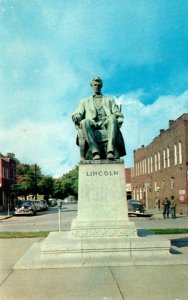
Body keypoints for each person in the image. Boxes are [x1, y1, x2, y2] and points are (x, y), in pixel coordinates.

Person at [72, 77, 125, 160]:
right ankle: (95, 151)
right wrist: (76, 116)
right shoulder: (84, 101)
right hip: (92, 124)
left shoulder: (109, 100)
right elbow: (78, 112)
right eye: (95, 85)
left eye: (98, 85)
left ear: (101, 86)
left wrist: (118, 120)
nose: (96, 86)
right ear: (91, 86)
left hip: (106, 123)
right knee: (84, 122)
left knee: (112, 118)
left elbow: (118, 114)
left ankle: (110, 150)